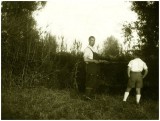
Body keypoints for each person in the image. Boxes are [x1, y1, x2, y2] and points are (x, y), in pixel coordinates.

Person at [83, 36, 107, 100]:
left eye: (94, 40)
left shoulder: (94, 49)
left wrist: (102, 61)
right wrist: (94, 61)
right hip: (90, 68)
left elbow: (96, 60)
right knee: (90, 81)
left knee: (94, 81)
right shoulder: (87, 49)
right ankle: (86, 96)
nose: (93, 42)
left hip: (96, 68)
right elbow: (85, 59)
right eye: (91, 40)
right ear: (89, 40)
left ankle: (91, 96)